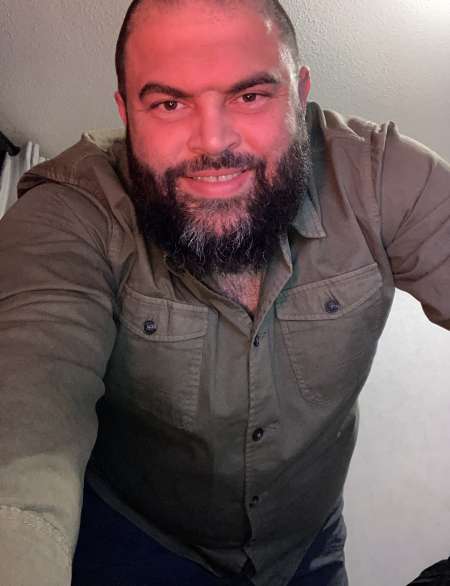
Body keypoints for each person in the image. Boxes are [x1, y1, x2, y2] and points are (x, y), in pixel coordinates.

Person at [0, 0, 448, 585]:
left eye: (250, 96)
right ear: (126, 113)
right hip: (135, 538)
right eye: (169, 104)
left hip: (305, 548)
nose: (212, 142)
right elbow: (24, 434)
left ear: (299, 94)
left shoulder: (382, 178)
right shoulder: (71, 212)